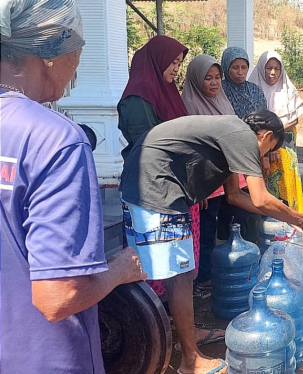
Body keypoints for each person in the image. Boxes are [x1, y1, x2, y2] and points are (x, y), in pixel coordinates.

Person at [120, 111, 303, 372]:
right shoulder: (242, 137)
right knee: (179, 275)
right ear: (264, 136)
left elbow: (236, 197)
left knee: (181, 271)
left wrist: (286, 216)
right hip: (155, 185)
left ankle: (187, 334)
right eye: (267, 151)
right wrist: (301, 220)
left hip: (148, 181)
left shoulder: (229, 135)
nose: (261, 157)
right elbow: (261, 197)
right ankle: (190, 360)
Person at [0, 1, 146, 372]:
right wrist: (120, 270)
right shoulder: (54, 140)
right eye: (77, 58)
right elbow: (58, 297)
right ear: (51, 53)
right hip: (41, 357)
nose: (75, 71)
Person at [118, 37, 225, 367]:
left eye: (180, 63)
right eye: (173, 62)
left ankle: (184, 332)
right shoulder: (138, 98)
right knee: (166, 272)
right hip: (154, 195)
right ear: (155, 60)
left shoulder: (167, 94)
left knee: (184, 269)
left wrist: (195, 187)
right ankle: (178, 351)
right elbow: (151, 151)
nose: (176, 69)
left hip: (177, 191)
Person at [182, 54, 236, 290]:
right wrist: (199, 188)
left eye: (217, 78)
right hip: (204, 181)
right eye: (208, 78)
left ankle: (215, 269)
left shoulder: (223, 102)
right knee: (204, 230)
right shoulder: (189, 106)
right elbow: (190, 150)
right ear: (196, 80)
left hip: (227, 177)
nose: (214, 83)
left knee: (221, 225)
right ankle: (202, 278)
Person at [218, 46, 267, 243]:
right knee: (231, 205)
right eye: (235, 67)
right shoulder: (219, 91)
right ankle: (230, 243)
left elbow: (264, 122)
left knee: (253, 199)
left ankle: (252, 243)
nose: (240, 72)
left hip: (254, 153)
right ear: (225, 68)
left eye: (244, 67)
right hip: (228, 156)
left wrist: (263, 156)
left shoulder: (254, 90)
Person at [248, 51, 303, 213]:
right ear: (261, 69)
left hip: (286, 148)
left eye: (277, 69)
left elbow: (295, 119)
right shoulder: (253, 90)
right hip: (262, 148)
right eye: (268, 68)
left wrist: (275, 139)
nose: (273, 73)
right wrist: (269, 147)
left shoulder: (287, 88)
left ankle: (292, 221)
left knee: (288, 184)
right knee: (266, 185)